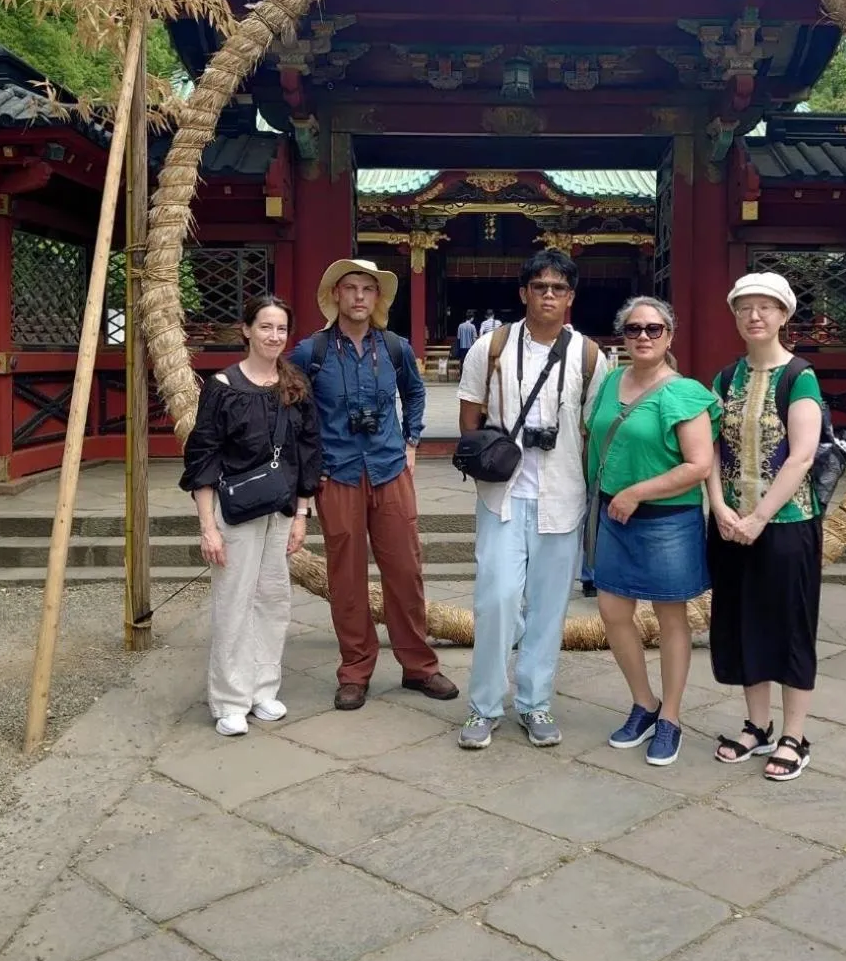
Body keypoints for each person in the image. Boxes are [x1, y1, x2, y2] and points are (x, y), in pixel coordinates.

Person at [456, 248, 608, 749]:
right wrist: (486, 463)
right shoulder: (491, 348)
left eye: (558, 288)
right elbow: (470, 418)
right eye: (539, 286)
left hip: (562, 496)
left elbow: (593, 428)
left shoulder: (590, 356)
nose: (548, 295)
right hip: (502, 494)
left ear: (571, 297)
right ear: (523, 293)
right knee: (496, 598)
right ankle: (483, 706)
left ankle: (535, 701)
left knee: (548, 607)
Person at [291, 260, 458, 711]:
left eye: (368, 288)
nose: (360, 296)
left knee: (406, 570)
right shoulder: (312, 352)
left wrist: (412, 440)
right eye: (351, 288)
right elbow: (289, 404)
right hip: (338, 473)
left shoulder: (396, 348)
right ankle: (355, 669)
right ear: (337, 296)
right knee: (346, 578)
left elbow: (415, 392)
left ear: (378, 298)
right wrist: (310, 462)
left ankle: (419, 666)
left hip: (389, 469)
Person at [181, 296, 321, 736]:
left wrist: (301, 514)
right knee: (234, 602)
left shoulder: (295, 385)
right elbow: (203, 456)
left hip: (279, 511)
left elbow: (307, 453)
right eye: (265, 327)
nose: (273, 336)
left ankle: (263, 687)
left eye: (281, 328)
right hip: (235, 511)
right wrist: (208, 527)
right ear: (246, 330)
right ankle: (229, 698)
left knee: (273, 600)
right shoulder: (222, 387)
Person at [586, 297, 718, 766]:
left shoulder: (682, 392)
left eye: (654, 329)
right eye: (634, 328)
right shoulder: (607, 384)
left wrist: (638, 491)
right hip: (612, 515)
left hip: (666, 520)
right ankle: (644, 702)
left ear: (670, 336)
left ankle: (673, 717)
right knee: (612, 611)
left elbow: (699, 464)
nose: (643, 336)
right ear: (622, 335)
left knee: (670, 618)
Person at [707, 271, 824, 781]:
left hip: (786, 524)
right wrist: (719, 506)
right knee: (741, 622)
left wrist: (759, 516)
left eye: (766, 307)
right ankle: (757, 725)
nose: (754, 316)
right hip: (731, 523)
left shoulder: (800, 376)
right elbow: (707, 449)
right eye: (744, 308)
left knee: (790, 625)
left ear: (783, 315)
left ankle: (795, 736)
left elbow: (800, 458)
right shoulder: (723, 379)